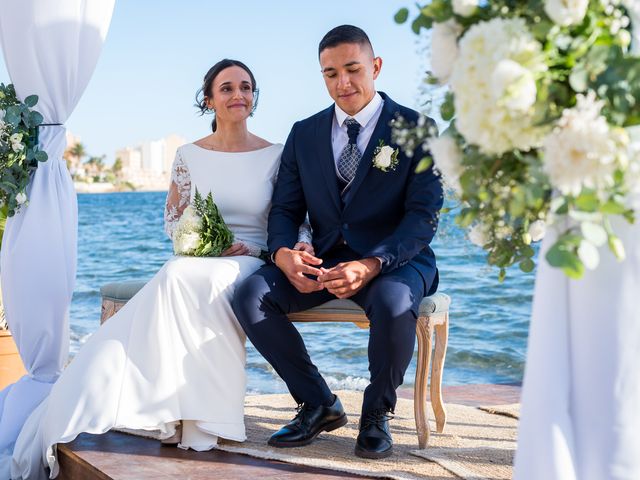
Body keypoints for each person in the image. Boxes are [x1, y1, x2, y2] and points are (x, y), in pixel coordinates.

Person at [5, 59, 311, 480]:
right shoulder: (188, 154)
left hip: (256, 259)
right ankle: (176, 411)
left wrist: (277, 251)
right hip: (203, 257)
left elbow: (296, 218)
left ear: (254, 96)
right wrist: (209, 243)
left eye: (245, 87)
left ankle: (203, 420)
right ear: (210, 100)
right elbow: (174, 221)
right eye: (227, 88)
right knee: (178, 273)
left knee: (185, 278)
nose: (238, 94)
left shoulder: (277, 154)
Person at [232, 25, 443, 460]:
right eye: (330, 74)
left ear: (376, 67)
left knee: (392, 303)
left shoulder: (416, 129)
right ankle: (318, 403)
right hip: (325, 258)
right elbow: (285, 210)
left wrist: (372, 264)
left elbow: (423, 218)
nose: (342, 83)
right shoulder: (304, 133)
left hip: (397, 260)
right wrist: (283, 254)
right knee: (251, 294)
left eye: (352, 69)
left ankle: (375, 414)